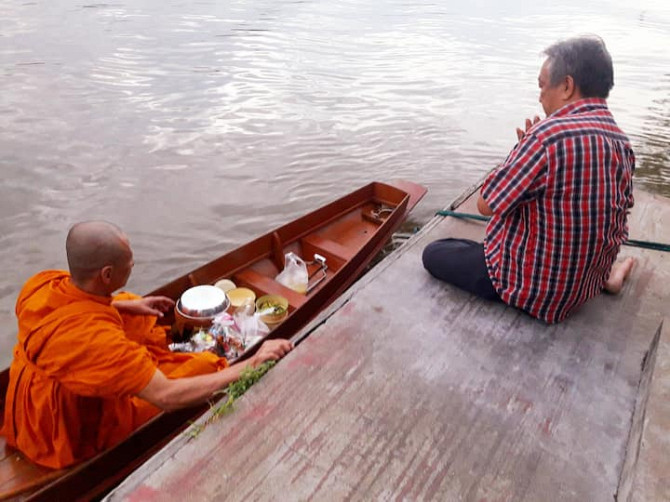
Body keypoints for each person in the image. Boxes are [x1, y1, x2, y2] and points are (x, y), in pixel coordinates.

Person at [1, 221, 293, 469]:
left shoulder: (43, 283)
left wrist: (130, 305)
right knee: (204, 366)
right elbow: (167, 396)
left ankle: (137, 333)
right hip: (61, 425)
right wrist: (251, 363)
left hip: (27, 391)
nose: (132, 266)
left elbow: (77, 307)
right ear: (106, 275)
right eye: (129, 264)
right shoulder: (98, 343)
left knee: (132, 310)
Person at [423, 35, 635, 324]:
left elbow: (486, 205)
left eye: (542, 85)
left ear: (567, 86)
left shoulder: (546, 136)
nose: (539, 96)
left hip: (534, 291)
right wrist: (527, 156)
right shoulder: (621, 143)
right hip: (581, 287)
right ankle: (606, 279)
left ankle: (600, 280)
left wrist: (519, 153)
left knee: (436, 251)